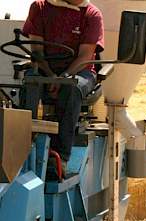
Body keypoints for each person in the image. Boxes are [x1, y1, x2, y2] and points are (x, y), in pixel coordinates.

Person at [22, 0, 104, 175]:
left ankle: (61, 157)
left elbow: (85, 56)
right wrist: (50, 75)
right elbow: (36, 49)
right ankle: (22, 148)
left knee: (71, 88)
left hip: (80, 71)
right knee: (31, 82)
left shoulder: (91, 14)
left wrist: (63, 77)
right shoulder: (40, 7)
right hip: (45, 69)